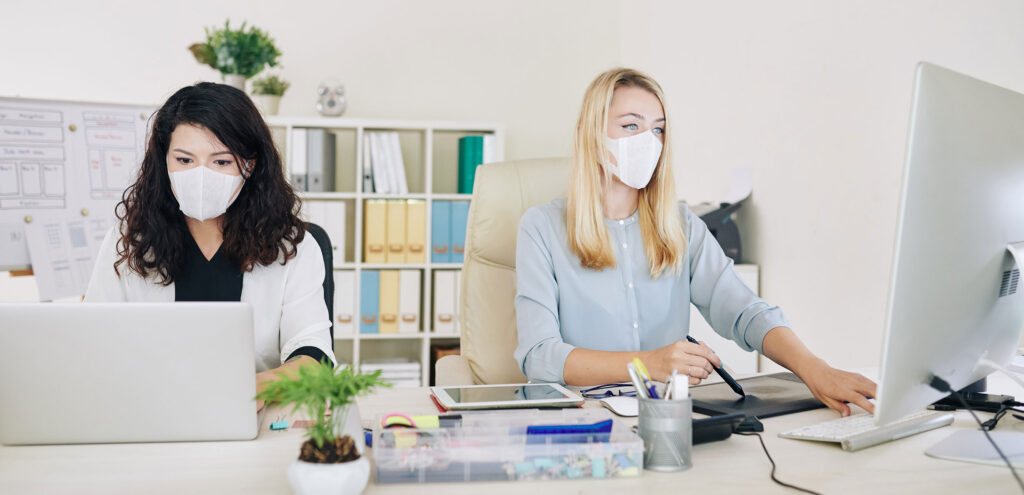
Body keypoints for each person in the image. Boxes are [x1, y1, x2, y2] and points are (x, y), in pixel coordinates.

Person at [514, 68, 876, 416]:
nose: (648, 141)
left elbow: (744, 311)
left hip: (666, 415)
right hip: (578, 420)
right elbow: (540, 354)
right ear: (588, 134)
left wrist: (814, 369)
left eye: (658, 130)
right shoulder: (542, 228)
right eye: (630, 126)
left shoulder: (681, 226)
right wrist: (647, 364)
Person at [85, 82, 335, 405]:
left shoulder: (294, 247)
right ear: (164, 161)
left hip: (255, 417)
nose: (201, 176)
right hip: (148, 414)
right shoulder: (128, 243)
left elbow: (314, 360)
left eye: (221, 162)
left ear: (250, 164)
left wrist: (243, 393)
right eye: (185, 160)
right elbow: (91, 347)